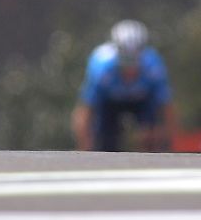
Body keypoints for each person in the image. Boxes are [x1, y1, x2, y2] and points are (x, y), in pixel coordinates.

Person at [71, 20, 176, 152]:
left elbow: (167, 107)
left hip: (142, 102)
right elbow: (85, 111)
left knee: (150, 138)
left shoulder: (153, 66)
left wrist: (171, 143)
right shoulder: (102, 68)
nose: (130, 69)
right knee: (106, 141)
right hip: (109, 103)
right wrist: (84, 148)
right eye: (125, 60)